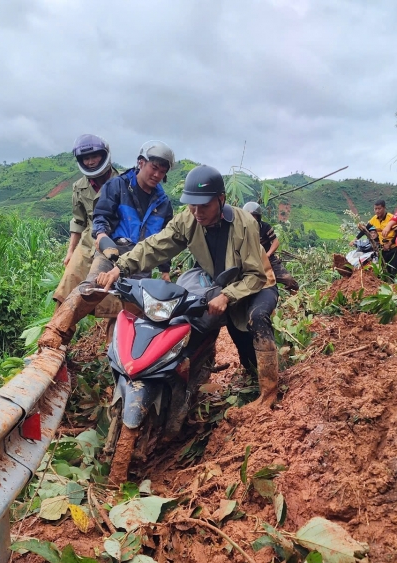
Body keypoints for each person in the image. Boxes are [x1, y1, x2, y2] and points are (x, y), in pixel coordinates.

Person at [94, 165, 281, 407]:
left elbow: (254, 275)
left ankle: (269, 395)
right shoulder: (187, 220)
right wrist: (121, 267)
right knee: (190, 325)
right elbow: (155, 246)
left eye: (204, 205)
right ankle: (184, 394)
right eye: (192, 205)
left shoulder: (244, 223)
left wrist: (227, 296)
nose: (197, 211)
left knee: (254, 321)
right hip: (221, 281)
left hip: (256, 283)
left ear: (220, 199)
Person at [38, 141, 176, 350]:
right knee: (91, 287)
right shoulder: (117, 186)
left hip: (141, 260)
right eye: (154, 168)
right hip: (112, 251)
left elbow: (163, 239)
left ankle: (116, 358)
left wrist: (165, 270)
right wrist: (102, 236)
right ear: (141, 163)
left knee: (130, 311)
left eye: (162, 171)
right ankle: (55, 333)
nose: (157, 175)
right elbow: (101, 217)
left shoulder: (163, 202)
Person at [52, 134, 121, 319]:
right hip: (87, 242)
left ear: (104, 155)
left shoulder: (123, 182)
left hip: (114, 242)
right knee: (66, 286)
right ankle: (55, 338)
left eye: (94, 157)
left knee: (111, 299)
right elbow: (79, 221)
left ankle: (111, 345)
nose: (90, 162)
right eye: (86, 158)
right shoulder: (79, 186)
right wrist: (70, 251)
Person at [243, 201, 299, 293]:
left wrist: (268, 254)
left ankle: (296, 296)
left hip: (268, 260)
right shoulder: (242, 229)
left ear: (258, 216)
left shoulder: (265, 227)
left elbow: (275, 242)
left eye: (253, 215)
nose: (251, 218)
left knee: (288, 280)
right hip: (250, 261)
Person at [367, 199, 397, 274]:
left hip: (394, 249)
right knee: (385, 270)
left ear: (384, 208)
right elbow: (365, 229)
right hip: (383, 249)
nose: (377, 211)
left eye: (379, 208)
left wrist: (389, 244)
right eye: (375, 209)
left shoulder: (391, 218)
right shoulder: (374, 219)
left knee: (394, 270)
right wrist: (355, 239)